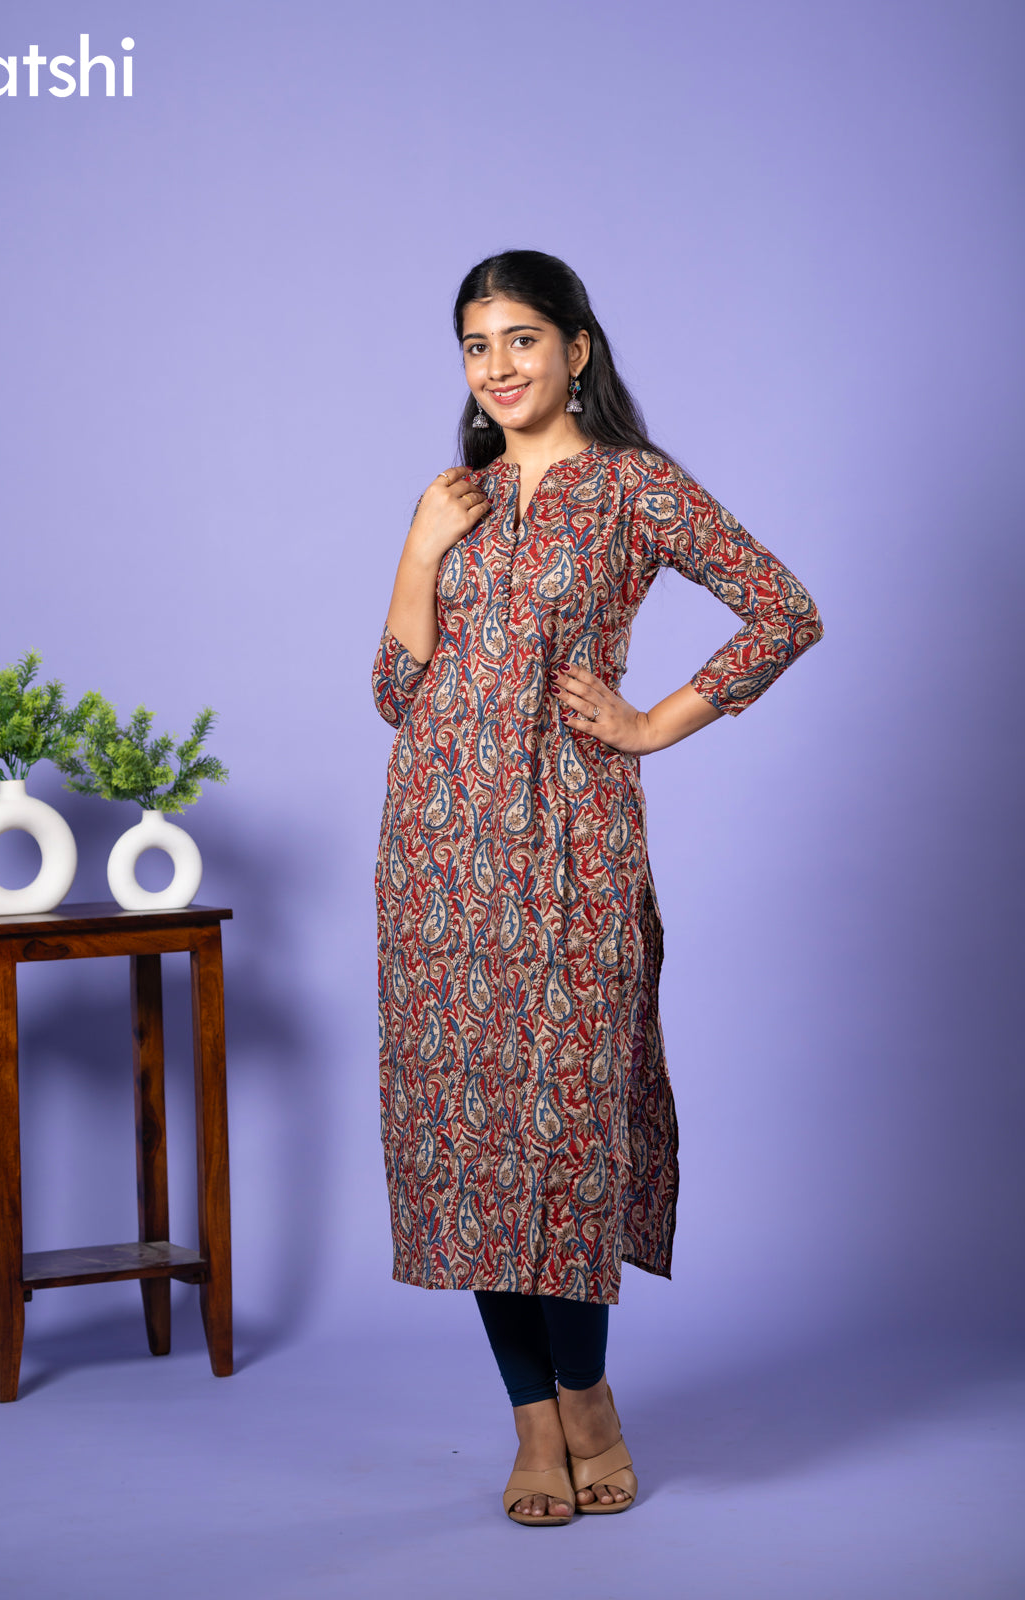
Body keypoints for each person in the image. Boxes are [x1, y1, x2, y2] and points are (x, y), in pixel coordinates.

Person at [371, 250, 822, 1526]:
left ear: (578, 347)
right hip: (437, 858)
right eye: (475, 345)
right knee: (471, 1139)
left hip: (571, 847)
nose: (498, 366)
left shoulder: (633, 488)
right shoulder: (452, 497)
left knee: (564, 1137)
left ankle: (591, 1396)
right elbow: (398, 696)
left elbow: (783, 610)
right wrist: (419, 546)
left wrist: (649, 722)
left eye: (522, 338)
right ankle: (528, 1424)